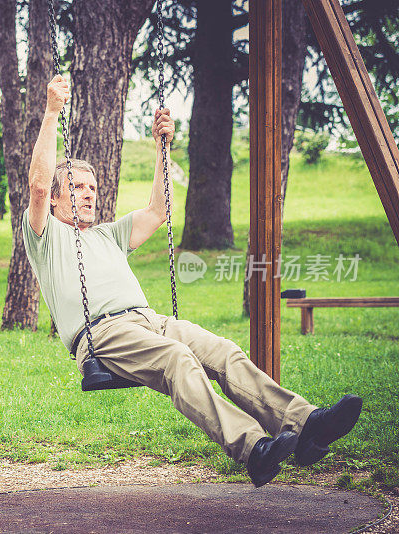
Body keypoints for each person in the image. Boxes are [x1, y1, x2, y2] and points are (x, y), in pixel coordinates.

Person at [22, 75, 362, 488]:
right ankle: (253, 447)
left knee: (223, 352)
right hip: (102, 333)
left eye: (93, 186)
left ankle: (307, 425)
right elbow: (38, 185)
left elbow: (158, 211)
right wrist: (52, 112)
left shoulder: (107, 234)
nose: (89, 194)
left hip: (152, 320)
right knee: (178, 360)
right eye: (77, 187)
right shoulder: (44, 236)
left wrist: (162, 149)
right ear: (58, 199)